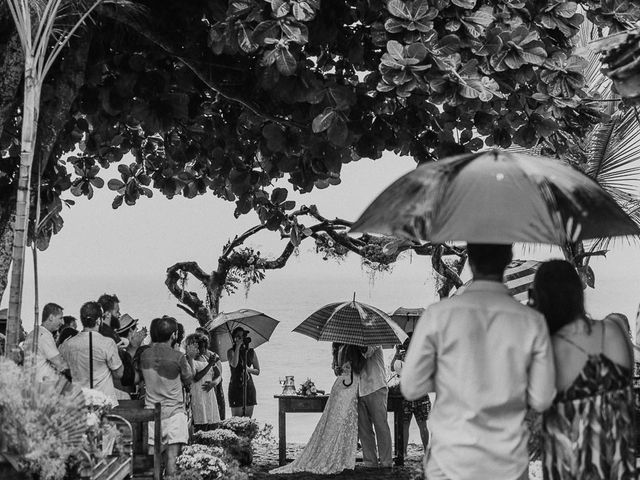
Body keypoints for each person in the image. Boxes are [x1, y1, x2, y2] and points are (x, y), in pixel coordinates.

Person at [402, 243, 556, 480]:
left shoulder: (438, 315)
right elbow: (543, 396)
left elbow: (411, 386)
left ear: (471, 262)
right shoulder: (531, 321)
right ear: (508, 259)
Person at [530, 260, 637, 479]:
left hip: (568, 466)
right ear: (579, 293)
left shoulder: (546, 348)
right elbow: (625, 376)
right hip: (618, 464)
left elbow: (538, 402)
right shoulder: (613, 331)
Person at [270, 343, 365, 474]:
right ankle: (341, 457)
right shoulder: (351, 347)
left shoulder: (338, 347)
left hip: (341, 384)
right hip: (349, 385)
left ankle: (338, 455)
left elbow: (337, 370)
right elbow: (359, 368)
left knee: (336, 422)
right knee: (344, 421)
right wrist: (361, 357)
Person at [138, 316, 194, 476]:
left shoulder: (145, 355)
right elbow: (188, 377)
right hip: (174, 414)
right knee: (172, 460)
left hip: (152, 413)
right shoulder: (177, 356)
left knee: (153, 459)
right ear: (174, 335)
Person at [59, 302, 123, 402]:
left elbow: (61, 369)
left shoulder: (67, 345)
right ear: (98, 320)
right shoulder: (107, 343)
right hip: (104, 403)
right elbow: (119, 374)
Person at [391, 333, 430, 456]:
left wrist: (397, 352)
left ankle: (404, 453)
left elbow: (393, 367)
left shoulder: (401, 355)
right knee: (422, 425)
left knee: (405, 425)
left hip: (406, 394)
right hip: (421, 394)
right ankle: (426, 450)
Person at [358, 344, 393, 468]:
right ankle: (370, 463)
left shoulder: (375, 338)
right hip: (360, 388)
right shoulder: (353, 342)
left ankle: (386, 462)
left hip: (376, 386)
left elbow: (367, 352)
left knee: (381, 426)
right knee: (364, 429)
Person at [23, 303, 70, 382]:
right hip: (43, 387)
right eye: (60, 318)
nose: (63, 322)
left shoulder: (33, 333)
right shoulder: (44, 336)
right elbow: (60, 364)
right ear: (51, 317)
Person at [185, 333, 221, 430]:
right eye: (202, 347)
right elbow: (196, 377)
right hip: (198, 394)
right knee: (200, 424)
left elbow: (218, 374)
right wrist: (210, 365)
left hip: (208, 394)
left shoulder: (205, 357)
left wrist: (213, 382)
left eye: (205, 347)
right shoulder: (190, 359)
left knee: (210, 423)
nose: (204, 350)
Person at [113, 314, 147, 400]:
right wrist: (135, 347)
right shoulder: (126, 349)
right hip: (124, 396)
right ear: (131, 331)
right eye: (136, 329)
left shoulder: (113, 346)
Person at [227, 327, 259, 417]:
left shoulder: (251, 351)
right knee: (236, 419)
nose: (241, 338)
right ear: (234, 338)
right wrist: (237, 347)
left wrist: (249, 370)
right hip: (236, 386)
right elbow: (234, 364)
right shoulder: (231, 352)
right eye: (238, 336)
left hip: (248, 386)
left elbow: (257, 371)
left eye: (243, 336)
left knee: (248, 419)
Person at [196, 326, 226, 420]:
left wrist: (213, 383)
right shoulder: (193, 356)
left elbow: (219, 376)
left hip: (214, 391)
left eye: (200, 336)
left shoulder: (213, 356)